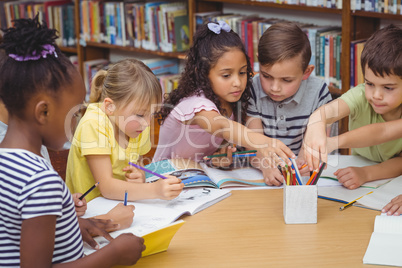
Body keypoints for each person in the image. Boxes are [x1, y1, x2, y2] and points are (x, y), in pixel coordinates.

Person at [0, 16, 144, 266]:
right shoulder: (40, 181)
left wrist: (71, 223)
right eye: (74, 112)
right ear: (43, 112)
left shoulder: (9, 163)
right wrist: (113, 254)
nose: (78, 122)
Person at [154, 21, 295, 170]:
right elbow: (221, 126)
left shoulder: (230, 102)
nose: (237, 82)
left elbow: (204, 156)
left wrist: (217, 159)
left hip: (197, 178)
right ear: (202, 74)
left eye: (242, 72)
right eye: (226, 75)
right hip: (162, 177)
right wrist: (264, 142)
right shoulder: (196, 103)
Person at [66, 58, 184, 203]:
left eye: (152, 114)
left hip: (120, 203)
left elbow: (138, 164)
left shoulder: (137, 127)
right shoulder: (93, 124)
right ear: (110, 107)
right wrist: (154, 190)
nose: (147, 123)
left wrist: (140, 175)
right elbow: (107, 187)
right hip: (89, 211)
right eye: (140, 115)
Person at [303, 24, 402, 190]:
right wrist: (316, 122)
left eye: (388, 87)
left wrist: (366, 173)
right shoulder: (361, 94)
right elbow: (328, 112)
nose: (376, 95)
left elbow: (382, 133)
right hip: (358, 170)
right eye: (370, 83)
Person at [246, 22, 332, 185]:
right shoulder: (253, 88)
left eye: (286, 80)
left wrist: (304, 159)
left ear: (306, 72)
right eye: (266, 76)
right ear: (259, 62)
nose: (274, 88)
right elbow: (253, 142)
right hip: (260, 173)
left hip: (301, 177)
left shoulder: (319, 92)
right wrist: (266, 166)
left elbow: (318, 143)